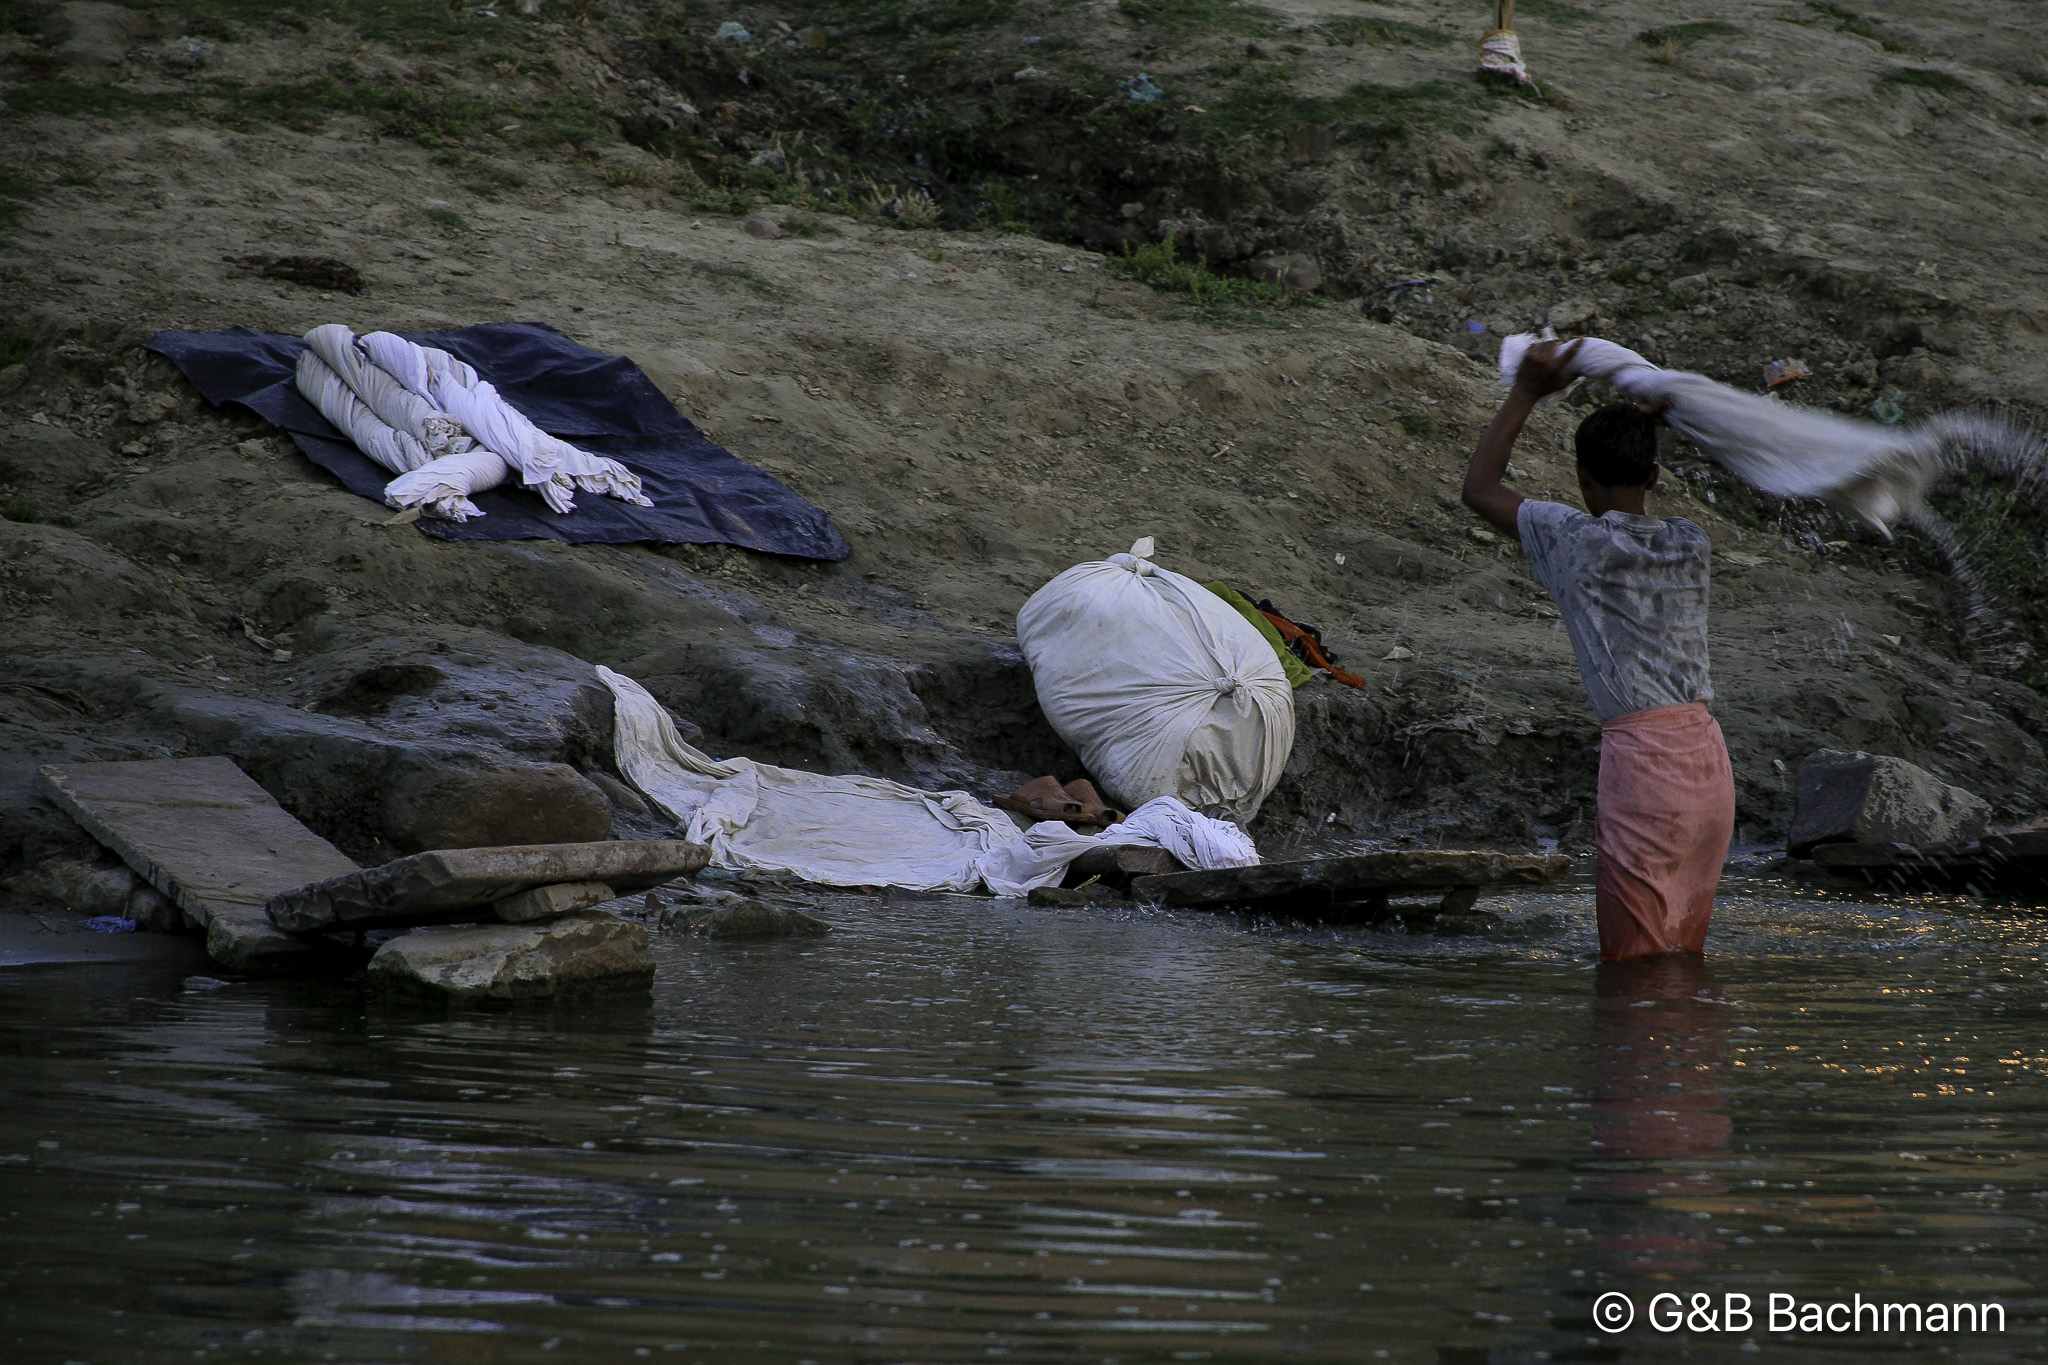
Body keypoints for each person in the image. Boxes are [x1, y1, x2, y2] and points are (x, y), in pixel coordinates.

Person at [1461, 338, 1734, 961]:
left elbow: (1480, 488)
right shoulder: (1692, 542)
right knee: (1681, 959)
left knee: (1630, 969)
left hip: (1645, 774)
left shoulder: (1573, 541)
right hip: (1709, 769)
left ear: (1581, 479)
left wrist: (1526, 392)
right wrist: (1662, 414)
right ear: (1656, 477)